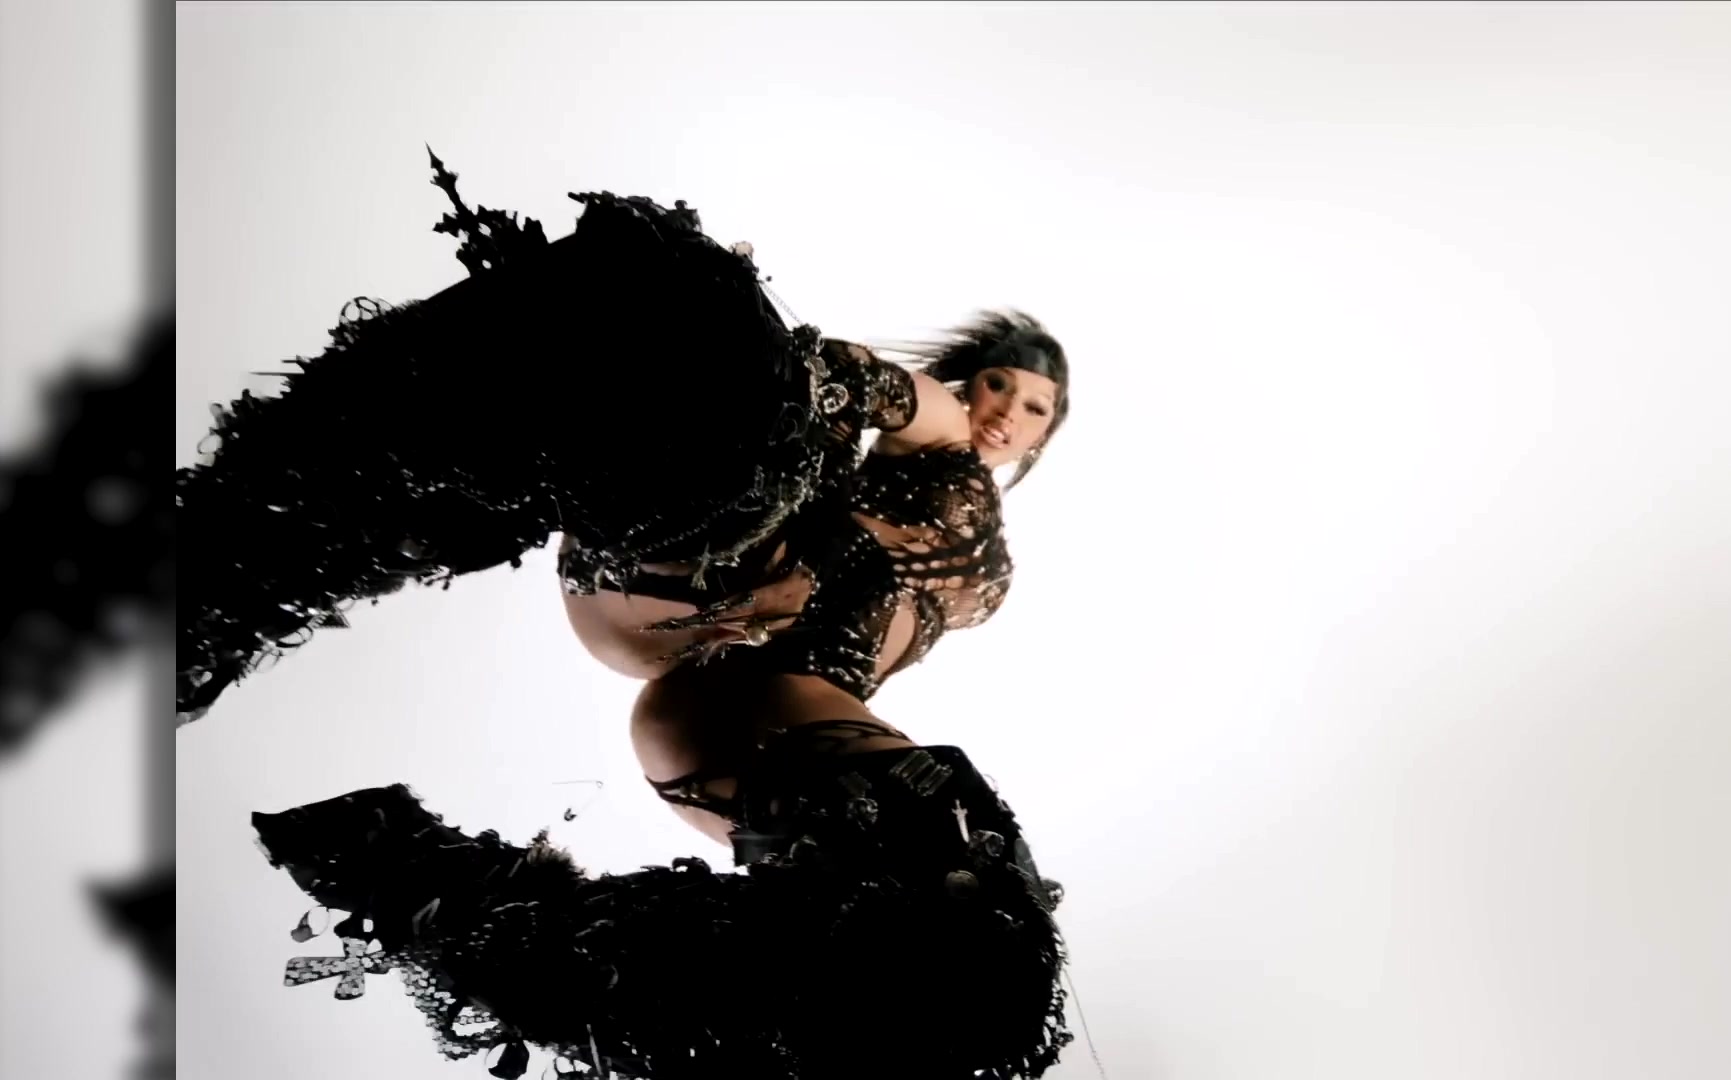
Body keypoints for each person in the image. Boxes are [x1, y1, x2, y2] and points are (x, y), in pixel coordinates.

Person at [190, 157, 1078, 1077]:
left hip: (760, 719)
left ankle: (415, 884)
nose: (1006, 411)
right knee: (688, 318)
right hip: (698, 547)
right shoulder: (933, 434)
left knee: (969, 966)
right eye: (997, 384)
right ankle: (234, 560)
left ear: (1045, 436)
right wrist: (819, 434)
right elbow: (861, 382)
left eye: (1036, 407)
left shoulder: (981, 549)